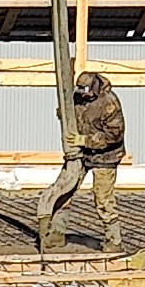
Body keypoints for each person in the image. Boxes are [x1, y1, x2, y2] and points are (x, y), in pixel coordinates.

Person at [38, 66, 125, 253]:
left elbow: (114, 136)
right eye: (80, 91)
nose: (82, 95)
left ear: (94, 88)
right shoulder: (79, 96)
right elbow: (72, 113)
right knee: (65, 190)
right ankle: (56, 233)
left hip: (106, 156)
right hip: (82, 154)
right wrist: (64, 114)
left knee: (103, 199)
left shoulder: (109, 103)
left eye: (85, 91)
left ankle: (114, 240)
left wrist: (84, 140)